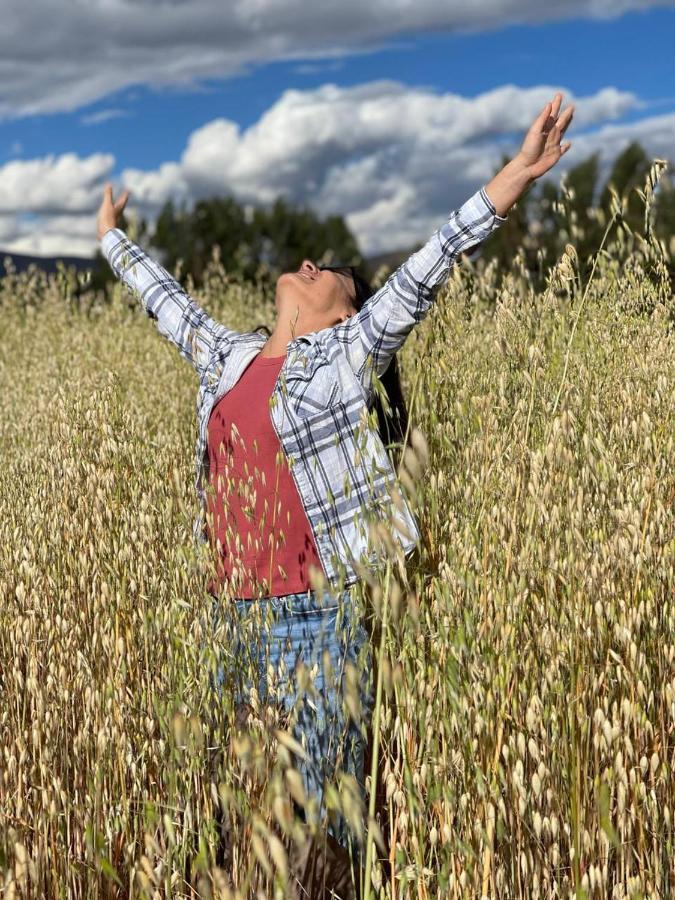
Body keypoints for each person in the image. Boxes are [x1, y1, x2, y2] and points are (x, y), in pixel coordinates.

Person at [96, 92, 573, 898]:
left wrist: (513, 178)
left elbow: (428, 266)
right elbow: (167, 303)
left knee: (323, 833)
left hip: (314, 625)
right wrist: (110, 239)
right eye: (309, 262)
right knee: (227, 816)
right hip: (224, 617)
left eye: (331, 274)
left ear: (347, 315)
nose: (309, 265)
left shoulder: (347, 357)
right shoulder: (230, 358)